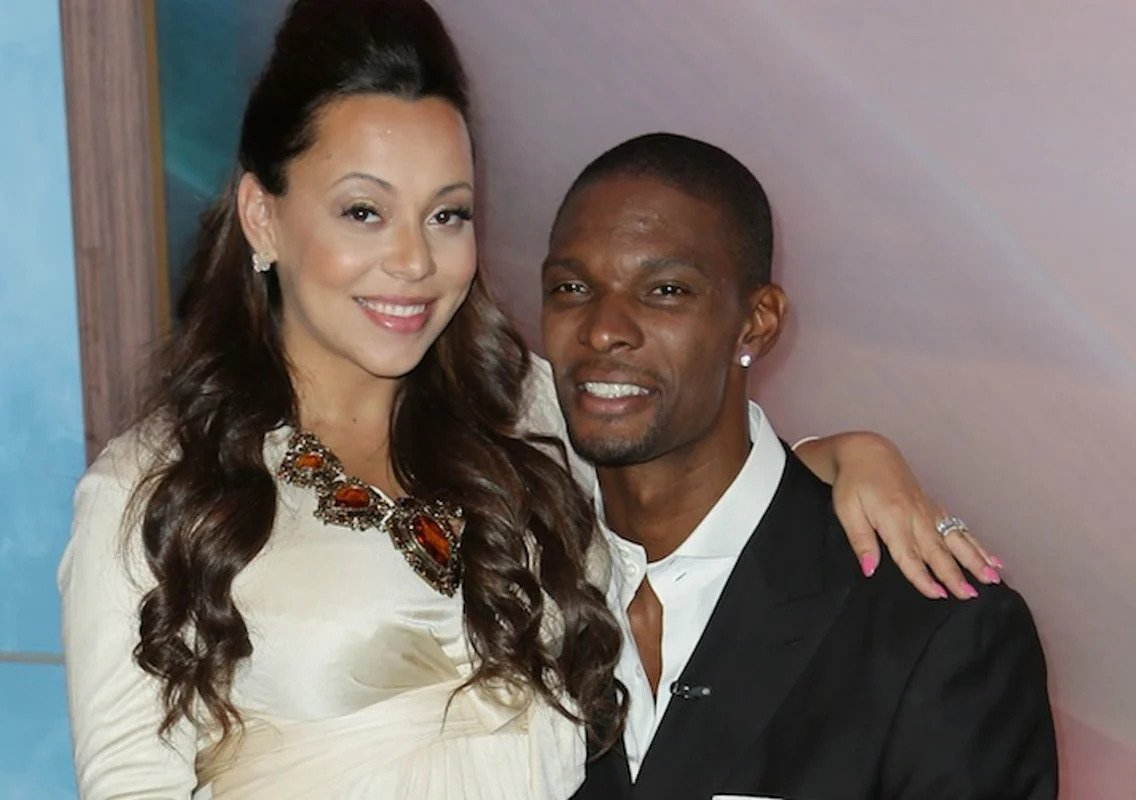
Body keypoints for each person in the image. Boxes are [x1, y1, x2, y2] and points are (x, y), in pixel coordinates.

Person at [59, 2, 997, 798]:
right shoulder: (150, 490)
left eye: (448, 213)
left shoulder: (529, 407)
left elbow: (693, 496)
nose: (415, 261)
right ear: (263, 214)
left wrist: (839, 454)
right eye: (363, 211)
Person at [546, 133, 1058, 800]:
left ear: (756, 324)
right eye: (571, 287)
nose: (603, 329)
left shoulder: (936, 631)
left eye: (665, 290)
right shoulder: (511, 585)